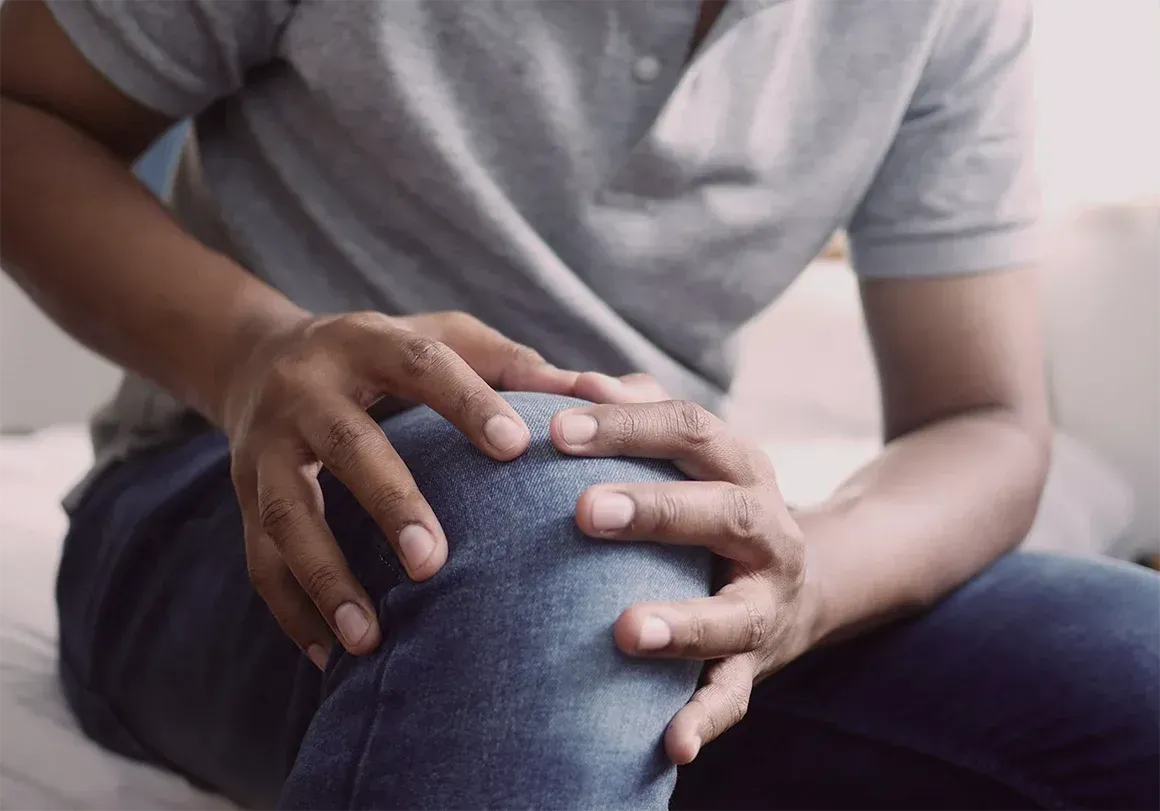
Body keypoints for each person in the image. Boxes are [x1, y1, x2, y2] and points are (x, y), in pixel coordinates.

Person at [0, 0, 1157, 808]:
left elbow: (984, 420)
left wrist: (795, 586)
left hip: (639, 573)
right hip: (234, 514)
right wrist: (253, 351)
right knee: (561, 511)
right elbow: (24, 109)